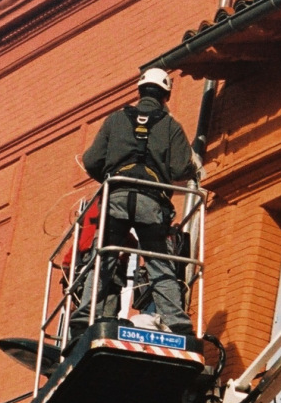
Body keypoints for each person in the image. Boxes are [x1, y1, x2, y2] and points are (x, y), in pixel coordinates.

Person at [77, 68, 201, 333]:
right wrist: (191, 168)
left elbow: (90, 160)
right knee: (158, 262)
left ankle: (85, 315)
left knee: (104, 257)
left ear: (140, 91)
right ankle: (177, 321)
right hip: (151, 201)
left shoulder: (116, 120)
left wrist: (110, 178)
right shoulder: (170, 126)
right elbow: (181, 169)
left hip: (117, 196)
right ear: (166, 95)